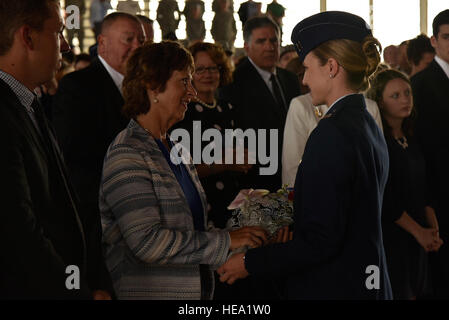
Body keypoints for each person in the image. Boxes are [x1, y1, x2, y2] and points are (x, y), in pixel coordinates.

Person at [218, 11, 393, 300]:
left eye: (309, 67)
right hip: (366, 280)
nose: (305, 78)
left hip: (335, 285)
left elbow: (320, 240)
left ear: (332, 67)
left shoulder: (332, 132)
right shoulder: (364, 122)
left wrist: (249, 263)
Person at [99, 41, 268, 299]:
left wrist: (244, 248)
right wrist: (228, 241)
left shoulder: (176, 149)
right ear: (153, 87)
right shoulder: (128, 153)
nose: (192, 92)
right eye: (184, 82)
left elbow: (195, 231)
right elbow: (147, 243)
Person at [0, 0, 113, 299]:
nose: (64, 45)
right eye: (59, 32)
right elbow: (17, 229)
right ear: (27, 37)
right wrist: (76, 292)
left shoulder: (28, 102)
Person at [52, 11, 145, 270]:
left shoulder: (145, 88)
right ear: (102, 43)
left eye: (142, 40)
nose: (137, 47)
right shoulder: (78, 86)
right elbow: (74, 158)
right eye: (129, 39)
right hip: (99, 220)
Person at [367, 69, 443, 299]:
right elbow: (387, 199)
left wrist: (433, 228)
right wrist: (419, 231)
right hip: (394, 235)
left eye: (407, 93)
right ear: (380, 101)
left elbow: (424, 187)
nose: (405, 99)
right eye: (396, 95)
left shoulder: (412, 137)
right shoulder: (379, 143)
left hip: (419, 230)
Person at [219, 16, 301, 191]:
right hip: (255, 180)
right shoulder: (233, 83)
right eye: (261, 41)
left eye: (274, 41)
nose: (269, 47)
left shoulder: (291, 79)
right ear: (247, 47)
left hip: (292, 174)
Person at [411, 9, 449, 299]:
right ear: (434, 41)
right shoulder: (420, 85)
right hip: (439, 195)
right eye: (447, 37)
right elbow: (418, 145)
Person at [282, 92, 383, 188]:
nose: (305, 79)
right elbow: (291, 173)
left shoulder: (370, 108)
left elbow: (377, 170)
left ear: (332, 72)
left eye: (310, 72)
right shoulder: (301, 105)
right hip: (314, 198)